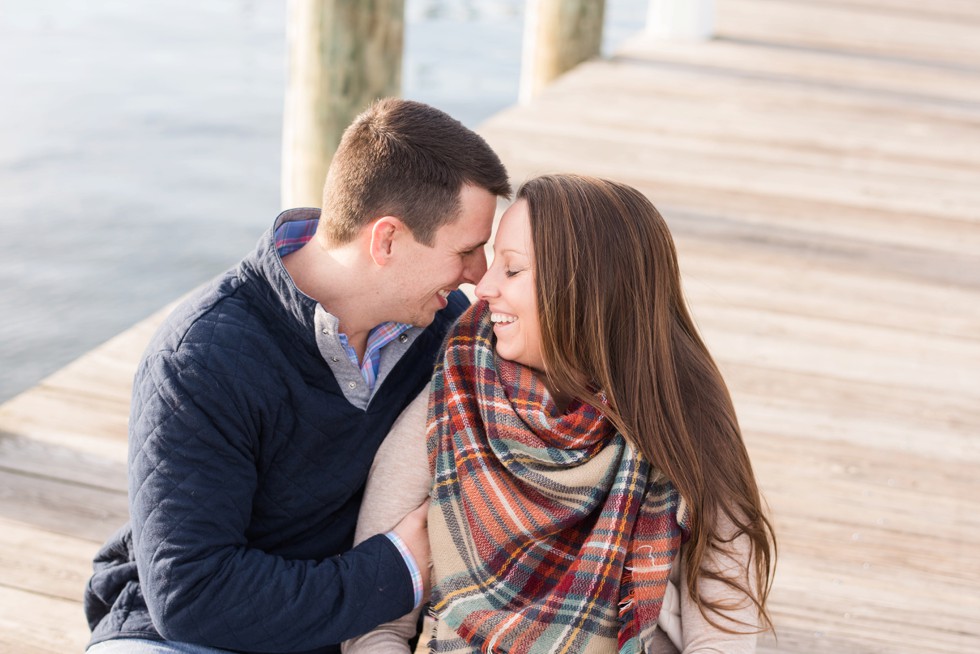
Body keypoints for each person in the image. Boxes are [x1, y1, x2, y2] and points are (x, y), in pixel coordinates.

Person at [82, 98, 512, 654]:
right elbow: (191, 596)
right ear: (386, 240)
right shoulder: (200, 356)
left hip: (344, 632)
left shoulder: (448, 334)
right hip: (186, 635)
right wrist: (399, 567)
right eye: (467, 250)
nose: (479, 276)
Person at [343, 174, 777, 653]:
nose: (483, 287)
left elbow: (723, 631)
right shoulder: (454, 400)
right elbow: (374, 626)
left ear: (585, 290)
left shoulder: (678, 415)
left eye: (511, 270)